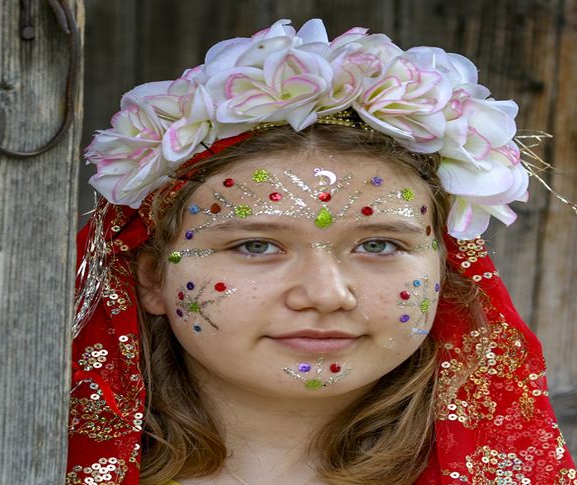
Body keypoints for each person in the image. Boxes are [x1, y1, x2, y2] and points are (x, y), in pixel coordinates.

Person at [66, 18, 577, 485]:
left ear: (446, 272)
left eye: (379, 244)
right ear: (152, 277)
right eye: (256, 245)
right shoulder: (17, 460)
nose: (326, 295)